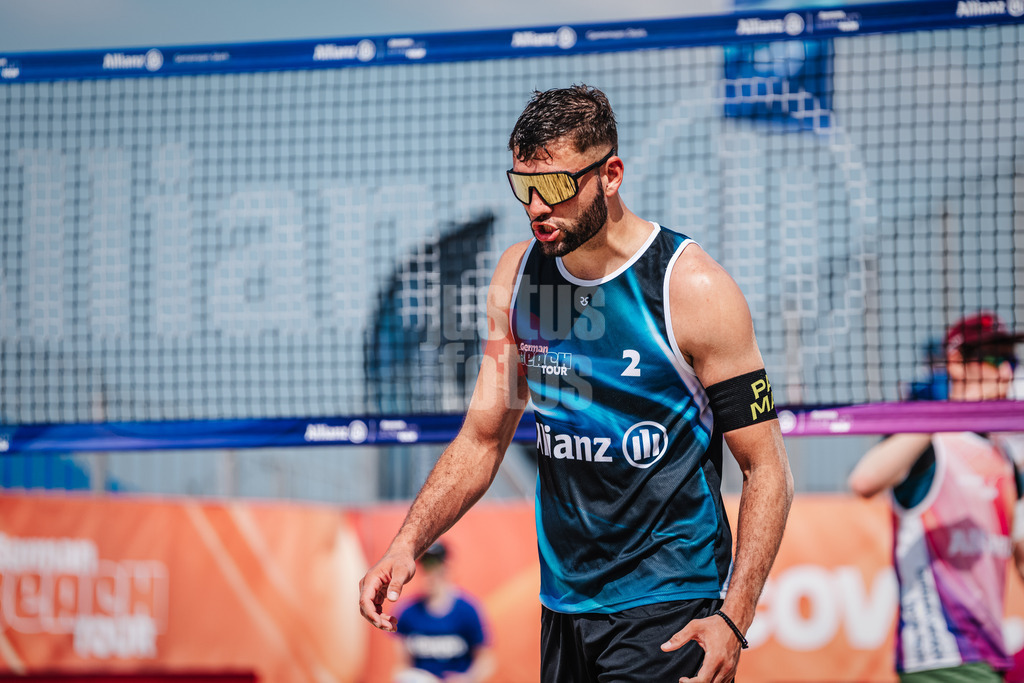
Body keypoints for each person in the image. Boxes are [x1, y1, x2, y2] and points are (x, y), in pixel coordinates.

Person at [359, 84, 794, 682]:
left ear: (610, 175)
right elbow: (483, 440)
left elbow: (768, 468)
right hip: (564, 603)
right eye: (522, 186)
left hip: (668, 600)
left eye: (558, 187)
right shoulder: (520, 277)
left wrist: (736, 616)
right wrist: (408, 543)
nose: (537, 205)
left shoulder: (690, 289)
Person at [848, 311, 1024, 682]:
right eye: (993, 359)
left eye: (1010, 361)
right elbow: (864, 481)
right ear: (957, 363)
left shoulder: (1007, 459)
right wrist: (949, 410)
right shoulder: (930, 443)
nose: (1006, 372)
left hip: (992, 656)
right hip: (938, 654)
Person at [392, 541, 495, 683]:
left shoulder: (468, 611)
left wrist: (467, 679)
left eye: (436, 566)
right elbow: (402, 665)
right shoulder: (407, 612)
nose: (431, 573)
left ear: (447, 568)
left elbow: (486, 661)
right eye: (426, 566)